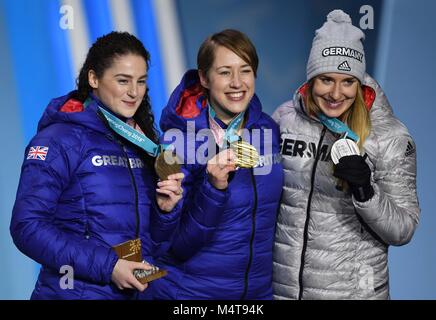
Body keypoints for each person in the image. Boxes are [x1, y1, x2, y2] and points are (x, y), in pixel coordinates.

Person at [10, 31, 183, 300]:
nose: (134, 92)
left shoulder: (144, 143)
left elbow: (155, 245)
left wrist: (165, 211)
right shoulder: (58, 140)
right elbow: (27, 226)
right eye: (123, 81)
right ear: (93, 78)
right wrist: (110, 266)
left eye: (141, 81)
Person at [272, 10, 420, 300]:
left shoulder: (389, 137)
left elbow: (403, 229)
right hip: (284, 292)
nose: (336, 93)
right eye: (326, 79)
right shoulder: (284, 120)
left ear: (360, 82)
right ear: (311, 79)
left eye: (348, 81)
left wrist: (366, 192)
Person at [149, 29, 284, 300]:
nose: (237, 82)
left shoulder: (267, 130)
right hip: (192, 296)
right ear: (204, 78)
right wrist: (213, 189)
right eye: (224, 72)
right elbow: (173, 247)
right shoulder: (177, 143)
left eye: (245, 70)